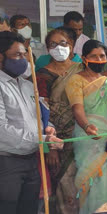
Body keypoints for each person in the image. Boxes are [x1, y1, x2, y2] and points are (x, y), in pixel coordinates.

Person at [0, 31, 63, 214]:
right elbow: (2, 131)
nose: (23, 60)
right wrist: (42, 139)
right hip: (6, 163)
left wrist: (49, 128)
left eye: (24, 55)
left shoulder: (28, 85)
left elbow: (37, 119)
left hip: (31, 162)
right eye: (17, 55)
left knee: (28, 209)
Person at [65, 40, 107, 214]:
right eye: (94, 56)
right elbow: (77, 109)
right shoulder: (76, 80)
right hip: (89, 140)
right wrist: (86, 126)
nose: (99, 59)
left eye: (102, 56)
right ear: (84, 58)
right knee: (93, 185)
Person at [36, 28, 83, 214]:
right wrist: (50, 149)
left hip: (83, 138)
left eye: (63, 43)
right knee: (64, 187)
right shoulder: (42, 75)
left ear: (71, 46)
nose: (59, 48)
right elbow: (41, 114)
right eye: (53, 44)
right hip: (58, 142)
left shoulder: (82, 70)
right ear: (47, 49)